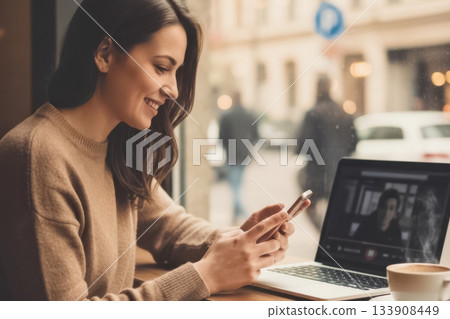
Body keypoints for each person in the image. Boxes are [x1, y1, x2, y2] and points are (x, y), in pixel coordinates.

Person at [0, 0, 309, 301]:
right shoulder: (36, 155)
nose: (173, 89)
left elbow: (169, 226)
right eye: (162, 67)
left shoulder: (119, 148)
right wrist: (205, 276)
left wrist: (241, 241)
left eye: (176, 73)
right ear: (105, 53)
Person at [296, 74, 357, 230]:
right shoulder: (343, 113)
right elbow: (353, 143)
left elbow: (303, 145)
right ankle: (333, 233)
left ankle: (323, 232)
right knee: (337, 207)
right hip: (341, 169)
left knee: (307, 205)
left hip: (317, 171)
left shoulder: (313, 113)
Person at [219, 92, 259, 224]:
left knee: (235, 188)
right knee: (238, 185)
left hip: (232, 154)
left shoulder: (227, 116)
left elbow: (222, 137)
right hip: (244, 154)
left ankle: (246, 215)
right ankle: (236, 216)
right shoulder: (249, 115)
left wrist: (226, 148)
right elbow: (256, 135)